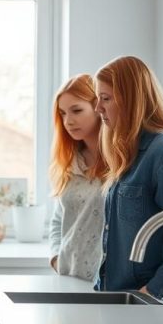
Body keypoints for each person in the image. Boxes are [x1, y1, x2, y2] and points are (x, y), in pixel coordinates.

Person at [94, 55, 163, 302]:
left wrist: (153, 291)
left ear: (130, 100)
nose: (98, 108)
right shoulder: (128, 155)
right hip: (126, 300)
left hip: (156, 303)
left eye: (106, 98)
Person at [48, 74, 107, 281]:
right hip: (68, 279)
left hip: (105, 283)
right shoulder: (69, 164)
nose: (68, 121)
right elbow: (57, 220)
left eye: (77, 110)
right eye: (63, 113)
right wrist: (56, 258)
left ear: (98, 108)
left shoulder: (120, 163)